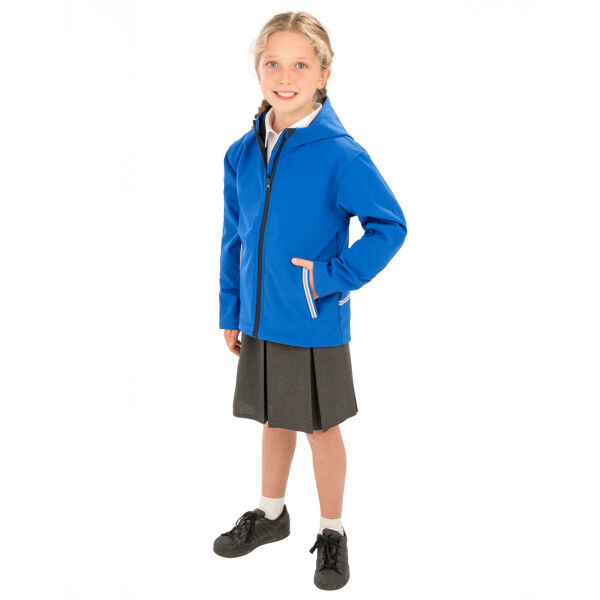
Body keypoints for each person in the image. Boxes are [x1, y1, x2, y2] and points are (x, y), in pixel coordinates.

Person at [214, 11, 407, 591]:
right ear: (257, 69)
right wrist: (231, 309)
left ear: (324, 74)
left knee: (321, 428)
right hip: (259, 317)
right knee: (274, 418)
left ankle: (332, 531)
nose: (285, 76)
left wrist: (328, 278)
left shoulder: (341, 155)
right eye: (273, 63)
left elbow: (389, 226)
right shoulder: (241, 153)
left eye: (300, 64)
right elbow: (234, 237)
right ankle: (271, 514)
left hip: (314, 317)